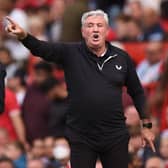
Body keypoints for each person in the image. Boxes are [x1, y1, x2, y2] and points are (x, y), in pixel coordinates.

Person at [5, 9, 155, 168]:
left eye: (99, 25)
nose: (95, 29)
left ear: (107, 30)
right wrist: (23, 36)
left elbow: (138, 93)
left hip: (115, 135)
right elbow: (42, 49)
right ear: (83, 31)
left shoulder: (121, 57)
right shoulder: (70, 52)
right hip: (82, 136)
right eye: (90, 25)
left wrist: (146, 126)